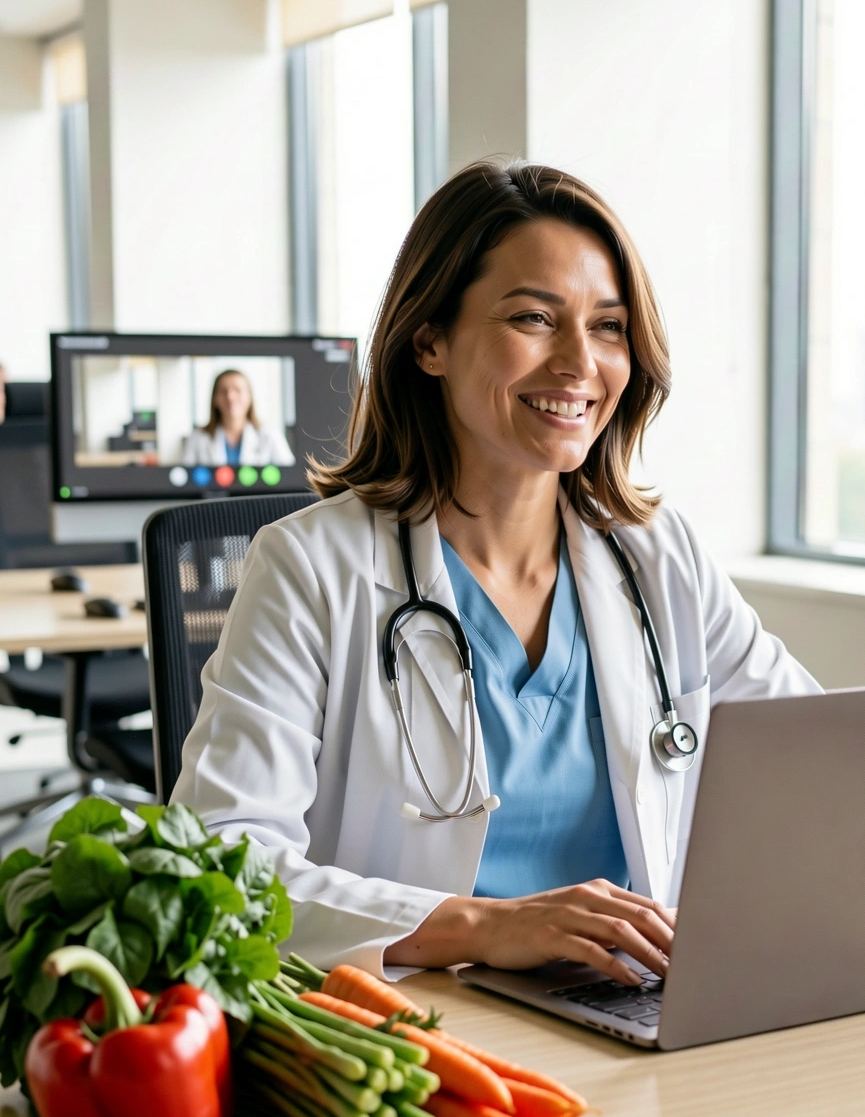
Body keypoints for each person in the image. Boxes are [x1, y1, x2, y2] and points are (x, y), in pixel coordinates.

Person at [173, 162, 820, 983]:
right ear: (430, 340)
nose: (581, 363)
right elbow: (223, 866)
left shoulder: (658, 557)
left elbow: (819, 760)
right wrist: (484, 926)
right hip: (419, 1031)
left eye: (610, 327)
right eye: (534, 319)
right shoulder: (311, 568)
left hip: (634, 1008)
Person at [181, 369, 294, 468]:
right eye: (223, 391)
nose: (230, 397)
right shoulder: (197, 438)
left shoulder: (270, 435)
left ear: (249, 397)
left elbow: (291, 478)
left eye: (238, 390)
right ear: (215, 399)